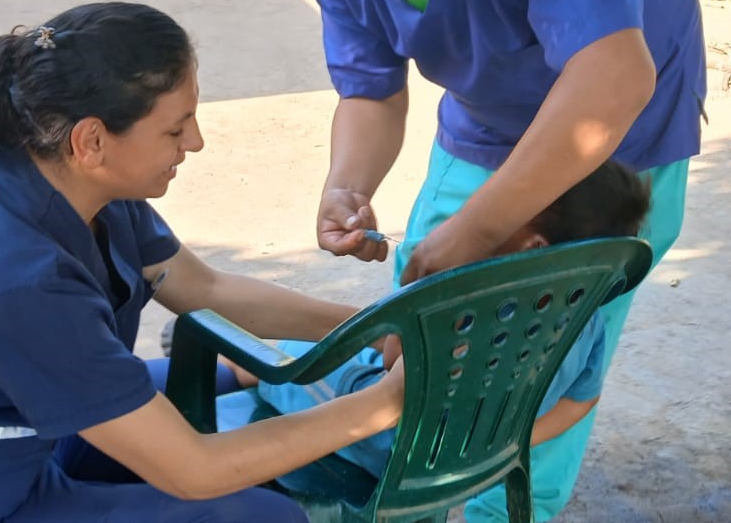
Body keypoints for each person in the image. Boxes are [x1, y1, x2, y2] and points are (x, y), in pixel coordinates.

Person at [255, 0, 706, 520]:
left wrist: (471, 234)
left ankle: (509, 505)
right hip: (491, 120)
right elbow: (370, 90)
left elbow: (611, 81)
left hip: (618, 136)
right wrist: (348, 182)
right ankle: (405, 490)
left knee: (549, 347)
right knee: (429, 321)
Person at [0, 2, 405, 523]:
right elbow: (193, 470)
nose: (196, 142)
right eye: (176, 128)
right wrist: (383, 403)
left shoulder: (72, 178)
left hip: (17, 425)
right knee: (256, 515)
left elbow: (205, 289)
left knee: (248, 366)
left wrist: (376, 326)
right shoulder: (11, 271)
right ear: (91, 140)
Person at [225, 160, 649, 482]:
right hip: (477, 457)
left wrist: (422, 283)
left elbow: (395, 361)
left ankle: (241, 368)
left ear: (531, 246)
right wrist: (501, 445)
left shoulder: (471, 304)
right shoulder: (588, 321)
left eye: (499, 207)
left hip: (390, 443)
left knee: (295, 359)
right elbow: (581, 400)